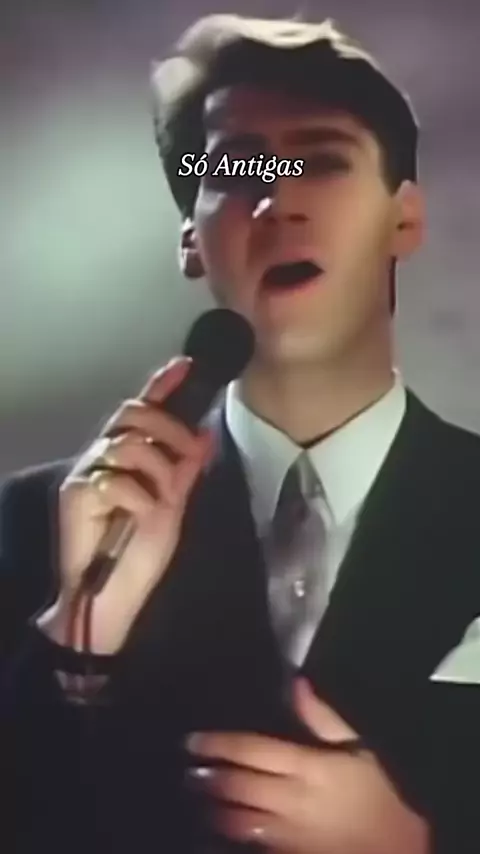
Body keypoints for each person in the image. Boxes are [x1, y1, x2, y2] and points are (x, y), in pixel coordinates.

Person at [1, 13, 480, 854]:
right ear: (191, 240)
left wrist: (418, 845)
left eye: (320, 162)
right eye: (235, 170)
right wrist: (81, 636)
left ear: (404, 219)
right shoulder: (30, 525)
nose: (276, 200)